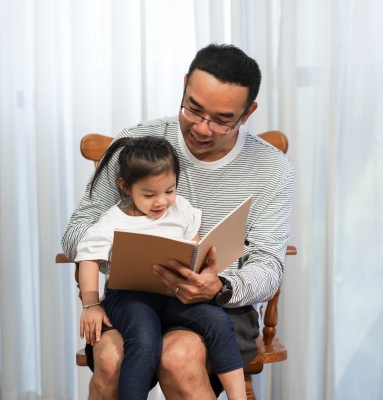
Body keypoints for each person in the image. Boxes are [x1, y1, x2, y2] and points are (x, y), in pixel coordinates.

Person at [62, 43, 295, 399]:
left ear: (248, 113)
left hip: (220, 305)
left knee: (179, 357)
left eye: (222, 120)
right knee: (110, 358)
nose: (202, 128)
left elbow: (268, 265)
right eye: (193, 109)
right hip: (134, 300)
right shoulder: (135, 144)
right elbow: (78, 228)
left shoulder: (272, 169)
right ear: (185, 85)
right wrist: (125, 252)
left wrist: (220, 287)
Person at [74, 135, 246, 400]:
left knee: (218, 320)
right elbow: (87, 257)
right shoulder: (113, 221)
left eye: (169, 190)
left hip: (176, 293)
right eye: (149, 195)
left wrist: (199, 261)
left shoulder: (181, 209)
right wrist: (91, 304)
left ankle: (238, 396)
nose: (161, 202)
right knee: (144, 340)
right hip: (130, 297)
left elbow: (195, 245)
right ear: (125, 187)